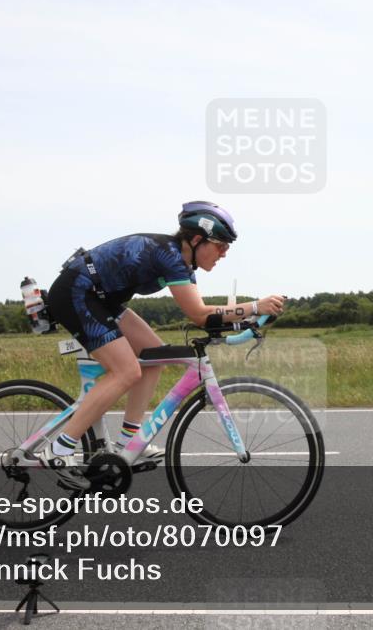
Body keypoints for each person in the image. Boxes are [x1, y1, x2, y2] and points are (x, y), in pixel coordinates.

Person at [36, 201, 286, 489]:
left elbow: (207, 318)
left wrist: (246, 325)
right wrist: (256, 305)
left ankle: (129, 441)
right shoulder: (169, 256)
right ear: (196, 240)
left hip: (101, 300)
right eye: (220, 245)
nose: (224, 253)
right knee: (125, 371)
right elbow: (199, 314)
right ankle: (59, 449)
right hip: (77, 293)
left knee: (154, 358)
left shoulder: (179, 262)